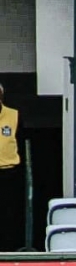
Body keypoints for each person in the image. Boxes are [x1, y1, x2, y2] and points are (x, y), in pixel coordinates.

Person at [0, 82, 26, 252]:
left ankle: (10, 250)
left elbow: (21, 144)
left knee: (9, 215)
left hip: (9, 172)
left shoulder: (14, 115)